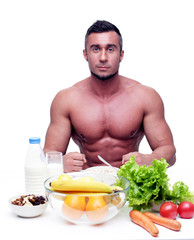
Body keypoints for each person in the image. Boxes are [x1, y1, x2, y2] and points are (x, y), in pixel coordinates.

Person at [43, 20, 176, 172]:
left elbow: (170, 153)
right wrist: (61, 162)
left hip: (129, 187)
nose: (103, 57)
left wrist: (149, 159)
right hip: (87, 186)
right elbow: (48, 155)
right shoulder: (66, 99)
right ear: (85, 54)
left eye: (111, 49)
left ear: (121, 55)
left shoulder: (145, 97)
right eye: (95, 49)